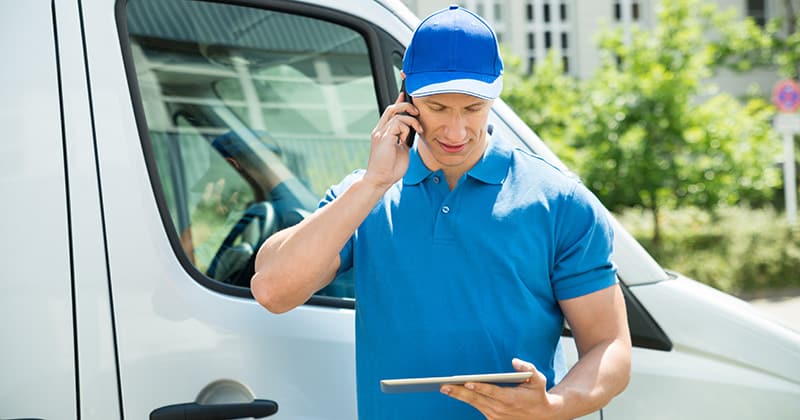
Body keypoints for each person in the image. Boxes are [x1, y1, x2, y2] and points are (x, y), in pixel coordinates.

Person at [251, 5, 631, 419]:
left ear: (495, 94)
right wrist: (375, 183)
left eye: (472, 109)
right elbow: (272, 291)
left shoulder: (560, 201)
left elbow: (609, 345)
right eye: (437, 108)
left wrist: (554, 405)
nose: (455, 131)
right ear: (406, 96)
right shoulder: (363, 194)